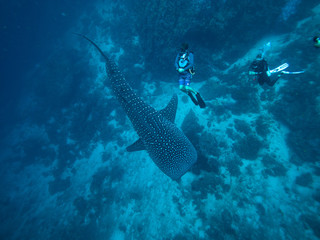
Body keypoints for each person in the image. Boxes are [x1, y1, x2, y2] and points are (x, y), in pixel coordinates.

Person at [175, 43, 206, 108]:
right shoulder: (179, 54)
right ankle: (190, 94)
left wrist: (183, 69)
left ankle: (196, 93)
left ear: (186, 49)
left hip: (187, 74)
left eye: (183, 49)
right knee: (181, 88)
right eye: (181, 49)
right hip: (181, 75)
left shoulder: (190, 54)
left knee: (186, 87)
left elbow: (191, 64)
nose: (182, 50)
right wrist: (178, 68)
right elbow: (175, 62)